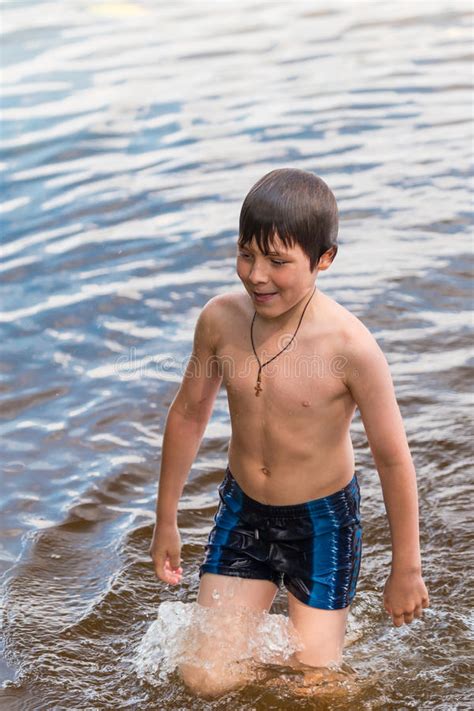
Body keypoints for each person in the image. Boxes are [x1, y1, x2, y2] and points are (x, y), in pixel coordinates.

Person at [149, 168, 429, 697]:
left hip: (321, 523)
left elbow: (393, 461)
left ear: (324, 259)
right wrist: (166, 520)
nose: (256, 275)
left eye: (278, 262)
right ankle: (275, 636)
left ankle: (321, 649)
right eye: (246, 254)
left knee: (313, 688)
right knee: (206, 679)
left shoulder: (351, 347)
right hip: (244, 512)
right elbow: (188, 414)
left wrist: (406, 569)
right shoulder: (219, 321)